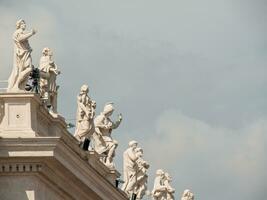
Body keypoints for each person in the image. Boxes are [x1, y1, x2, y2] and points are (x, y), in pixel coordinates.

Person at [8, 19, 36, 92]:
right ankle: (16, 85)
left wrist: (29, 47)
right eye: (23, 24)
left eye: (25, 24)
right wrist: (31, 33)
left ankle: (21, 86)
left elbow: (24, 42)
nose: (25, 25)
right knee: (26, 69)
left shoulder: (22, 32)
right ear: (19, 25)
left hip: (25, 53)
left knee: (29, 69)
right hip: (21, 55)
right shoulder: (18, 32)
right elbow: (20, 39)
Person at [92, 102, 122, 168]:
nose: (111, 114)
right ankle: (108, 160)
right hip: (102, 136)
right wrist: (102, 128)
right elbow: (95, 125)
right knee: (113, 145)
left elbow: (114, 126)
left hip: (107, 137)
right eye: (110, 112)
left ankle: (108, 159)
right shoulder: (101, 117)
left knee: (114, 144)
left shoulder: (108, 120)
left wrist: (119, 120)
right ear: (107, 111)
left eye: (111, 112)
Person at [39, 47, 60, 113]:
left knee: (52, 93)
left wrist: (56, 70)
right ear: (46, 52)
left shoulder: (50, 60)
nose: (51, 52)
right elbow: (43, 67)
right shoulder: (43, 58)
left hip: (52, 80)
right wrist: (52, 69)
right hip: (46, 79)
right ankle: (47, 105)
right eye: (49, 51)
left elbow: (53, 68)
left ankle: (51, 108)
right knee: (47, 92)